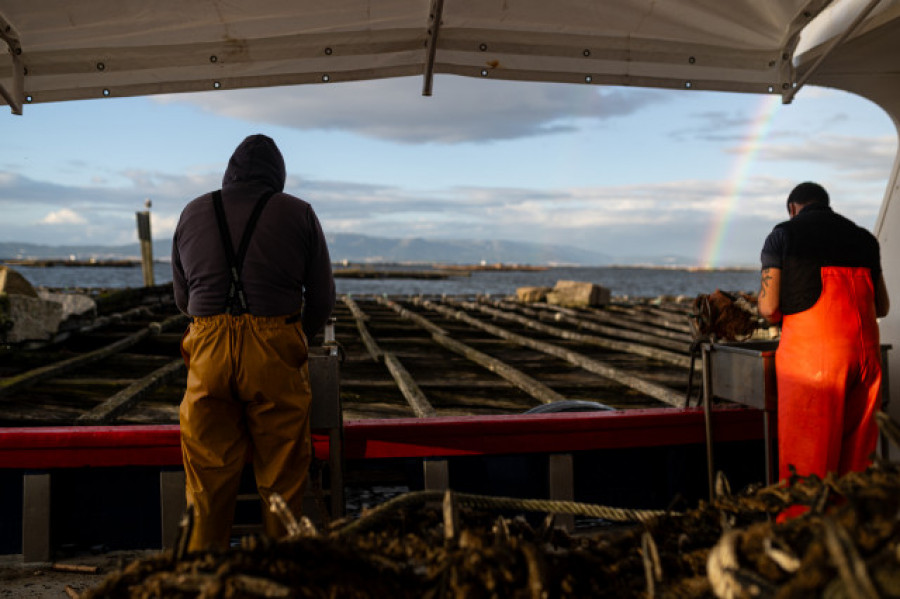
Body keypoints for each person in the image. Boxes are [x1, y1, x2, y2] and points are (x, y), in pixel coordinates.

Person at [172, 134, 335, 552]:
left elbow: (181, 300)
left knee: (206, 479)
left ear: (229, 172)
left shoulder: (192, 211)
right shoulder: (298, 212)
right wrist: (295, 340)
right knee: (282, 474)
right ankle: (278, 571)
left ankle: (201, 575)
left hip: (207, 346)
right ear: (277, 176)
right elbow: (321, 298)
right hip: (274, 346)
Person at [758, 181, 889, 488]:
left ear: (793, 209)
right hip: (866, 361)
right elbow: (881, 307)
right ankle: (849, 531)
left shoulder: (782, 236)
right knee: (858, 463)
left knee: (807, 465)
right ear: (826, 204)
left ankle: (802, 532)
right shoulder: (864, 239)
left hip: (814, 366)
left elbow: (769, 307)